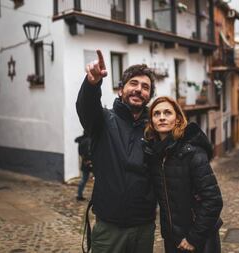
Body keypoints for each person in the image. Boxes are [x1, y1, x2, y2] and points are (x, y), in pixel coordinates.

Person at [76, 50, 157, 253]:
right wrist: (92, 83)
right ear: (121, 90)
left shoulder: (154, 130)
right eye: (134, 84)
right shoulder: (103, 121)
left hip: (143, 228)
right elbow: (86, 108)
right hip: (109, 228)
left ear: (149, 96)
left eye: (145, 87)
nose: (139, 90)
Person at [143, 96, 223, 253]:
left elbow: (213, 200)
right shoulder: (155, 155)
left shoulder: (192, 153)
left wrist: (194, 238)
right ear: (152, 121)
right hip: (173, 240)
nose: (162, 117)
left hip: (199, 239)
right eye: (156, 114)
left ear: (178, 119)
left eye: (167, 113)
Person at [74, 133, 93, 201]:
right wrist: (89, 160)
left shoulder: (81, 140)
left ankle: (79, 195)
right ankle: (95, 197)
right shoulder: (88, 140)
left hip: (85, 162)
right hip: (90, 162)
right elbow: (89, 152)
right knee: (96, 180)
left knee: (84, 179)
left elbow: (80, 153)